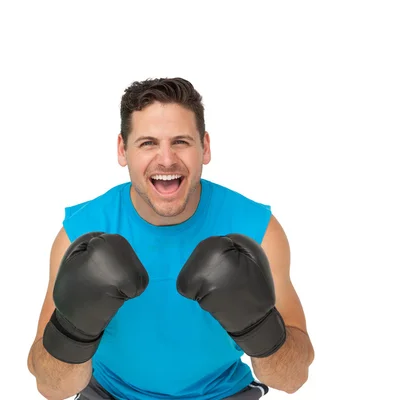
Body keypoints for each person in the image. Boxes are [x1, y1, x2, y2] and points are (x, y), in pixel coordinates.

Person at [27, 77, 315, 400]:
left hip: (223, 394)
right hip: (110, 393)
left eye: (180, 142)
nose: (166, 160)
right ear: (123, 150)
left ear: (205, 147)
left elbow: (294, 378)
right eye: (148, 143)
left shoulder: (258, 232)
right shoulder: (79, 235)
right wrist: (74, 330)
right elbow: (50, 387)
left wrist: (258, 327)